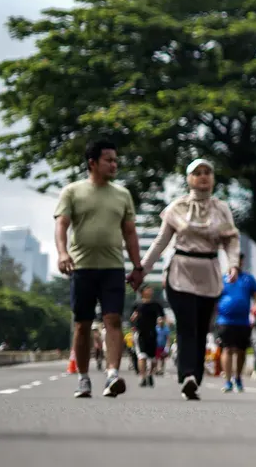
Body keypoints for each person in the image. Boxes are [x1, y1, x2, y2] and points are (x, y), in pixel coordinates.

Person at [142, 158, 241, 401]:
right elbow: (161, 242)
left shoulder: (222, 209)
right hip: (181, 271)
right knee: (187, 324)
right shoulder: (177, 207)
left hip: (209, 271)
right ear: (189, 179)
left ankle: (195, 377)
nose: (203, 176)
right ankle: (186, 374)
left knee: (201, 326)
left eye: (208, 172)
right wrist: (142, 269)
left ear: (213, 178)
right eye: (197, 172)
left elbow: (231, 240)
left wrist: (234, 264)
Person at [53, 139, 142, 399]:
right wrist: (62, 253)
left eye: (115, 160)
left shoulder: (122, 194)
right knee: (82, 324)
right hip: (82, 268)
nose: (114, 164)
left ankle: (113, 374)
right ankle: (83, 378)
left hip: (113, 267)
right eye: (108, 160)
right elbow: (61, 225)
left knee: (113, 319)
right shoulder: (72, 191)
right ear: (92, 163)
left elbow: (130, 233)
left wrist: (138, 266)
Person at [216, 253, 256, 393]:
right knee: (227, 349)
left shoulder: (248, 279)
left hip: (243, 321)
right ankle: (228, 380)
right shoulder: (222, 279)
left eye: (240, 261)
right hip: (225, 321)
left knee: (241, 350)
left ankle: (238, 377)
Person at [130, 285, 165, 387]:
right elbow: (132, 320)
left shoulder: (156, 305)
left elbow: (161, 317)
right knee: (142, 356)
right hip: (140, 333)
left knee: (153, 359)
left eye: (151, 289)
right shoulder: (137, 305)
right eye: (147, 289)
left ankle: (150, 374)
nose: (150, 291)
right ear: (142, 292)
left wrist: (161, 321)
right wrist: (133, 332)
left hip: (152, 333)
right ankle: (142, 377)